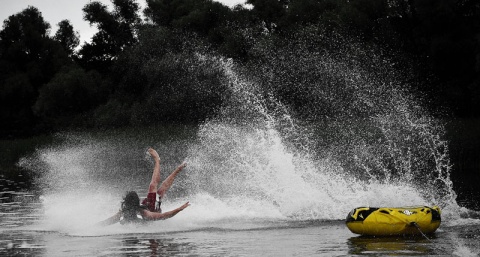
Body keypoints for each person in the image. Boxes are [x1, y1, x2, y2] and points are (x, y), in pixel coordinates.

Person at [98, 148, 190, 226]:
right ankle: (176, 169)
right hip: (149, 207)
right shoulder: (123, 212)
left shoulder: (145, 213)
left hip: (152, 208)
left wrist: (179, 209)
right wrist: (90, 227)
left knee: (154, 186)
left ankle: (158, 161)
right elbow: (107, 222)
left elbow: (163, 216)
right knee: (160, 190)